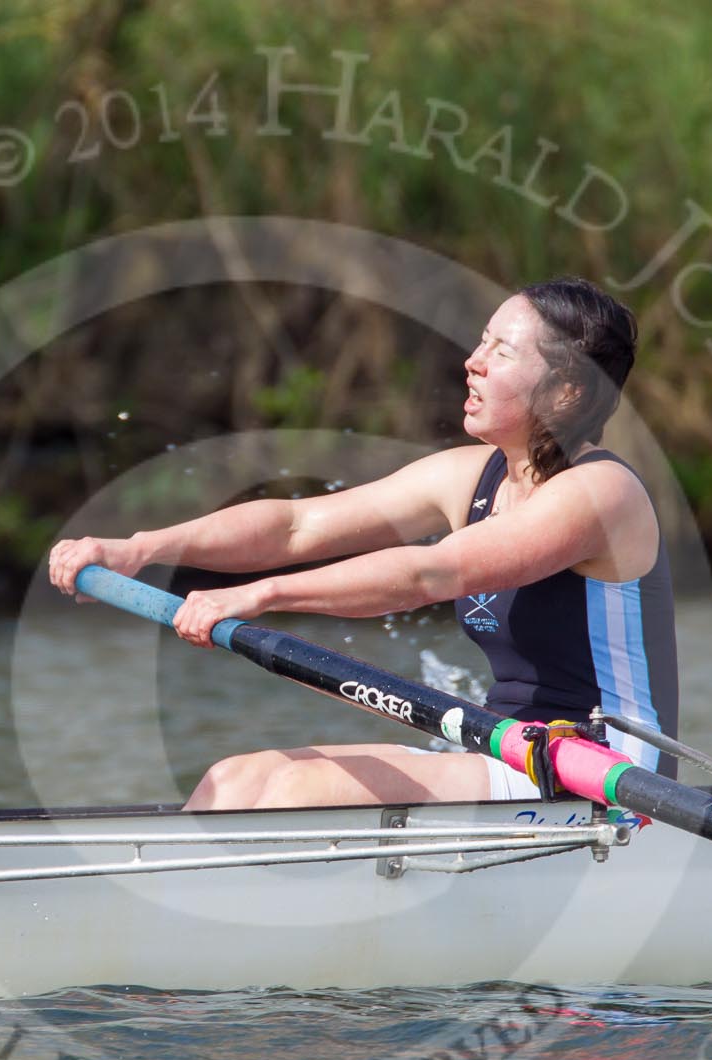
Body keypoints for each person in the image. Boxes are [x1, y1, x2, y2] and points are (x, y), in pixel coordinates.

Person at [48, 277, 678, 809]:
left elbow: (431, 575)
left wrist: (261, 596)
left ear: (567, 389)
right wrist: (141, 547)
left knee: (299, 789)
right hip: (505, 749)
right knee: (233, 781)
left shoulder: (600, 493)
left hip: (609, 773)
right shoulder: (469, 475)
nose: (473, 360)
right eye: (482, 341)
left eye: (502, 352)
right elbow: (297, 526)